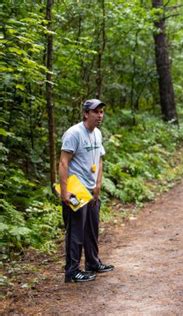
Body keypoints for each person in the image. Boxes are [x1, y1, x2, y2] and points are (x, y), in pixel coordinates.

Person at [58, 99, 114, 283]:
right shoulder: (73, 134)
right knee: (76, 231)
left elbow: (99, 159)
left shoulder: (97, 133)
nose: (100, 115)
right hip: (76, 191)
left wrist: (98, 184)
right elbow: (63, 162)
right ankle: (72, 271)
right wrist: (65, 192)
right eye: (96, 112)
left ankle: (92, 263)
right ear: (85, 114)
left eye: (101, 112)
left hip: (92, 190)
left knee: (92, 228)